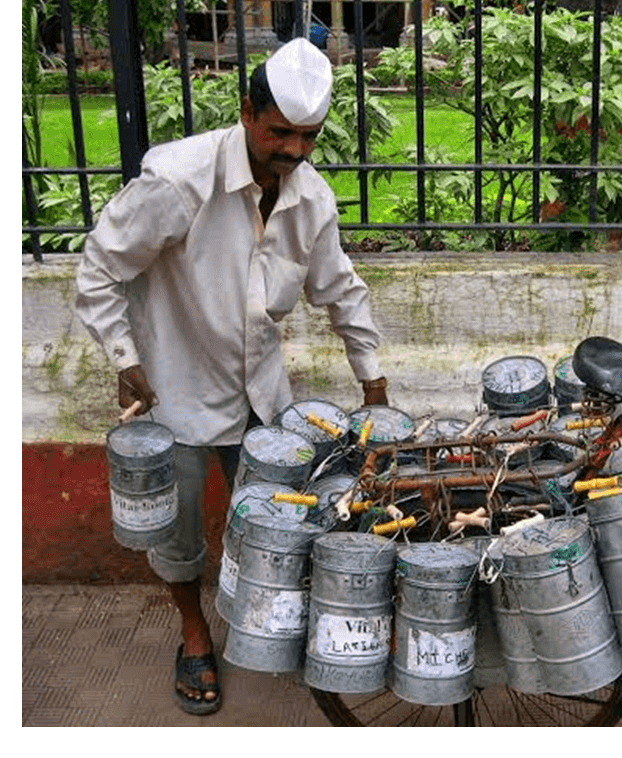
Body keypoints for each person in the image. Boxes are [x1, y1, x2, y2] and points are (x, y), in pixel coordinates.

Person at [74, 38, 388, 716]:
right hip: (176, 394)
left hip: (263, 398)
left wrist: (375, 386)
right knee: (179, 532)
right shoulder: (178, 182)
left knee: (278, 526)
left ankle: (268, 629)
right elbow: (100, 268)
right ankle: (193, 633)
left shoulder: (311, 199)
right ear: (247, 112)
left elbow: (342, 290)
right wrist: (127, 362)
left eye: (309, 136)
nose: (295, 151)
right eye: (281, 132)